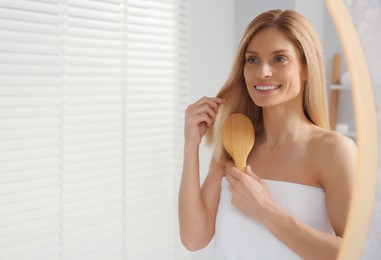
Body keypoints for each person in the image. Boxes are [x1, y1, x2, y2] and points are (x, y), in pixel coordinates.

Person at [178, 9, 357, 260]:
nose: (262, 72)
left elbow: (353, 253)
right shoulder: (233, 148)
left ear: (306, 68)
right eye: (252, 60)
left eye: (279, 59)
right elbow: (194, 239)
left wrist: (265, 211)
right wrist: (190, 147)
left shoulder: (332, 150)